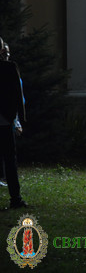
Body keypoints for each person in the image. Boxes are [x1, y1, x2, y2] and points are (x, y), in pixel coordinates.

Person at [0, 36, 27, 208]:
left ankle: (16, 198)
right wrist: (18, 118)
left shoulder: (9, 67)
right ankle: (15, 198)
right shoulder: (9, 67)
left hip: (5, 118)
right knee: (10, 159)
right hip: (5, 119)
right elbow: (17, 94)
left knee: (9, 160)